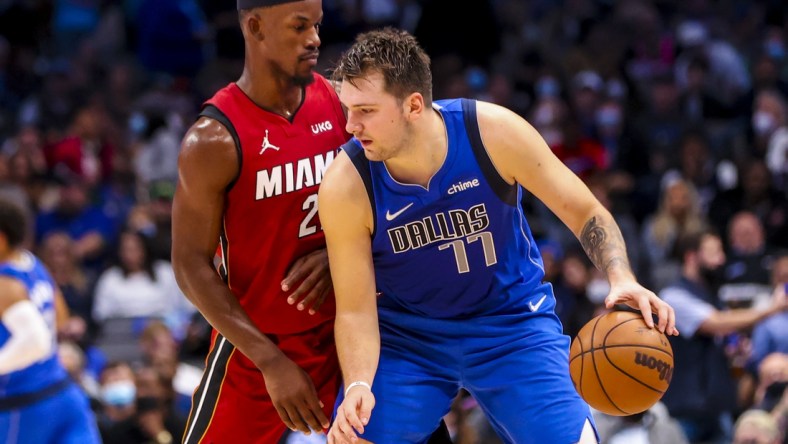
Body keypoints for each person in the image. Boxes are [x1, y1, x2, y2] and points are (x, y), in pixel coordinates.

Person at [318, 28, 678, 444]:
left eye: (365, 110)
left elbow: (585, 211)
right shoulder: (347, 184)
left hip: (511, 324)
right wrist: (360, 384)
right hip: (410, 338)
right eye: (348, 108)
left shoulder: (492, 134)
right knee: (353, 439)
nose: (350, 125)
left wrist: (621, 276)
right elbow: (356, 311)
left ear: (414, 105)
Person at [171, 3, 453, 443]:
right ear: (255, 26)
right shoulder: (212, 139)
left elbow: (397, 202)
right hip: (259, 346)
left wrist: (340, 253)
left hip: (352, 330)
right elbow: (189, 266)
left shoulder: (345, 107)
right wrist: (271, 362)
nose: (315, 38)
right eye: (300, 26)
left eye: (317, 25)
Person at [659, 230, 788, 443]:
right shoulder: (673, 296)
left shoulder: (712, 296)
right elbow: (716, 323)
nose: (721, 260)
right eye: (714, 253)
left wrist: (734, 350)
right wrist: (772, 309)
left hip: (717, 408)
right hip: (685, 412)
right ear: (691, 257)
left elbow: (720, 335)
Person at [0, 197, 101, 443]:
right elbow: (61, 318)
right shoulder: (33, 264)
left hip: (25, 407)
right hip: (65, 395)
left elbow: (36, 342)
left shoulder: (5, 284)